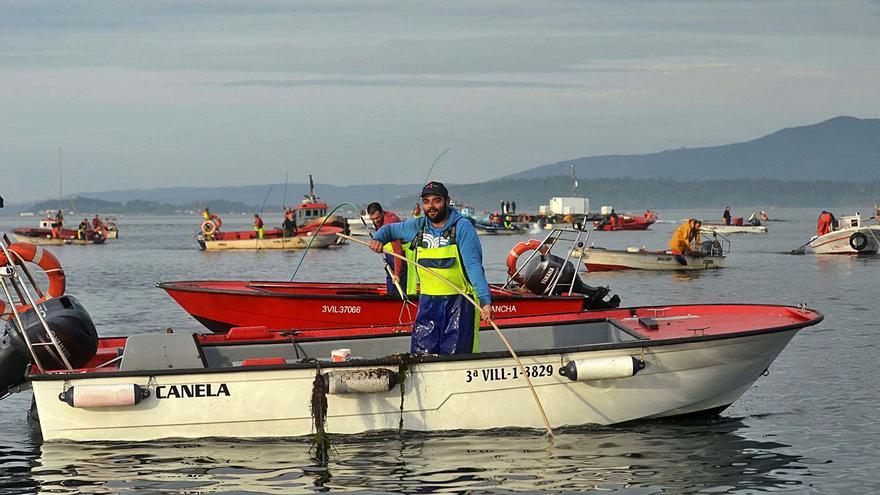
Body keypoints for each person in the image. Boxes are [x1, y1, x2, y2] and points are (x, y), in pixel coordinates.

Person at [370, 181, 492, 356]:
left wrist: (485, 301)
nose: (431, 206)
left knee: (455, 360)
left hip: (459, 304)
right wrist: (378, 238)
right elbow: (389, 230)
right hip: (428, 304)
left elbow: (474, 267)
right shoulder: (417, 226)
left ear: (447, 201)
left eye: (436, 201)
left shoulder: (463, 228)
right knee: (420, 357)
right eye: (426, 201)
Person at [367, 202, 413, 297]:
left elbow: (398, 251)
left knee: (398, 284)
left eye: (377, 218)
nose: (375, 221)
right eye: (373, 219)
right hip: (390, 255)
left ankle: (397, 303)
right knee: (390, 281)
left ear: (382, 213)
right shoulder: (377, 221)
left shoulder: (390, 224)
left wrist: (397, 274)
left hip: (401, 256)